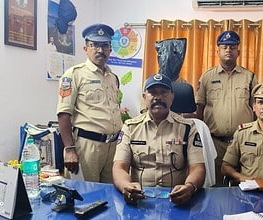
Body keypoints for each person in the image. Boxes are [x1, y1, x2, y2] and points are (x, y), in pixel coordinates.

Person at [113, 74, 205, 206]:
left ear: (172, 97)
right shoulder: (130, 127)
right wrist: (125, 186)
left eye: (164, 92)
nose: (158, 97)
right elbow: (119, 167)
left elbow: (198, 167)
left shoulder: (187, 128)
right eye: (152, 93)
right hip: (140, 198)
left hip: (176, 198)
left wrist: (190, 187)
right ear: (144, 97)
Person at [56, 23, 122, 183]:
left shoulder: (112, 77)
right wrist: (70, 149)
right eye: (95, 45)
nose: (100, 50)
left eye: (105, 45)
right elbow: (64, 114)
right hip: (88, 147)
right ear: (86, 48)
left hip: (112, 146)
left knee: (110, 197)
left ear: (110, 49)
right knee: (86, 197)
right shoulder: (74, 74)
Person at [195, 30, 258, 186]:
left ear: (239, 51)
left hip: (243, 141)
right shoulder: (207, 77)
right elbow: (199, 111)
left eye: (232, 47)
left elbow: (256, 109)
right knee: (215, 186)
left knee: (244, 185)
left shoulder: (249, 77)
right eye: (224, 47)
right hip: (215, 142)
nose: (228, 50)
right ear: (218, 51)